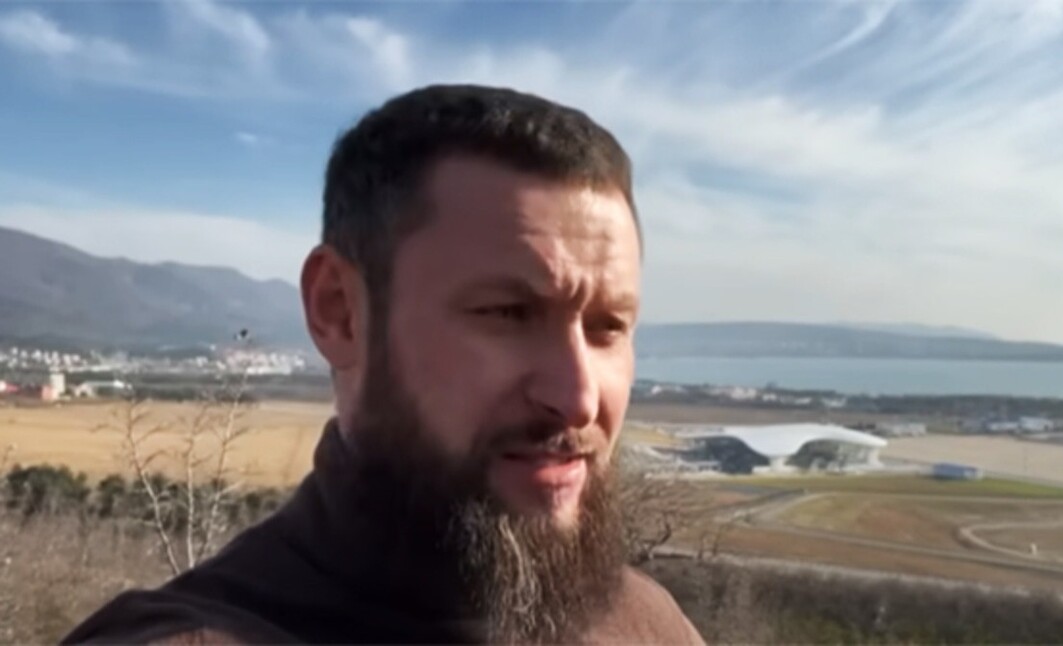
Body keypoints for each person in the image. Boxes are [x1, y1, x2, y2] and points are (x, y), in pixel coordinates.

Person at [61, 84, 705, 645]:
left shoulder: (643, 620)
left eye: (607, 327)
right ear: (340, 312)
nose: (579, 397)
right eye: (508, 313)